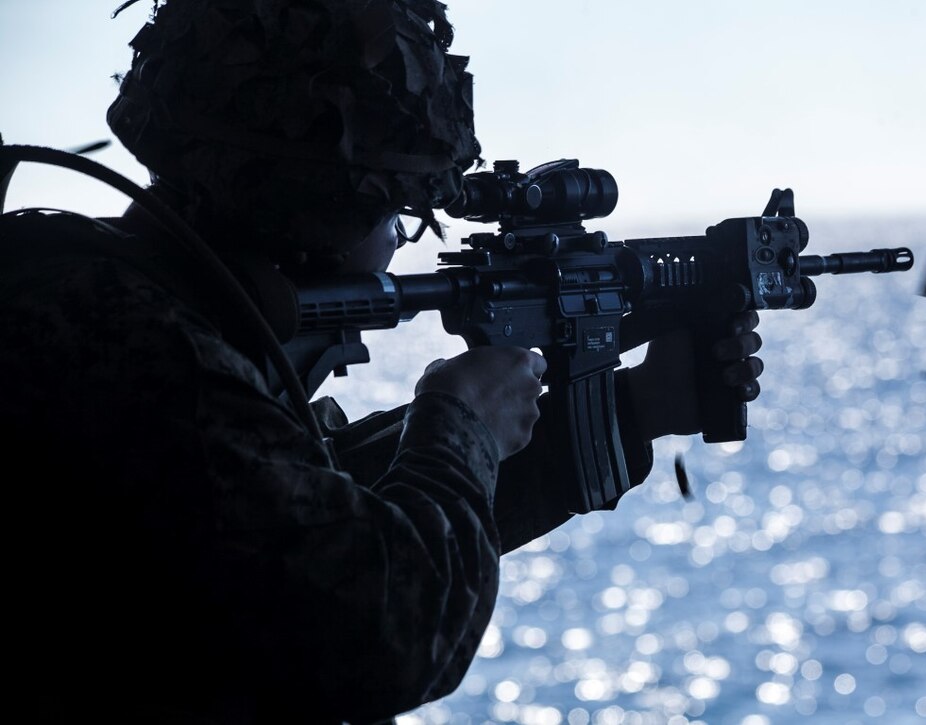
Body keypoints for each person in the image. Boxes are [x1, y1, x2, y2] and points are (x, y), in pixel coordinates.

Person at [0, 1, 763, 723]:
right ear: (313, 212)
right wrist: (460, 423)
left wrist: (637, 407)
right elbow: (384, 631)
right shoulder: (141, 354)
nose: (400, 238)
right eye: (393, 210)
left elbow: (301, 507)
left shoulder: (107, 297)